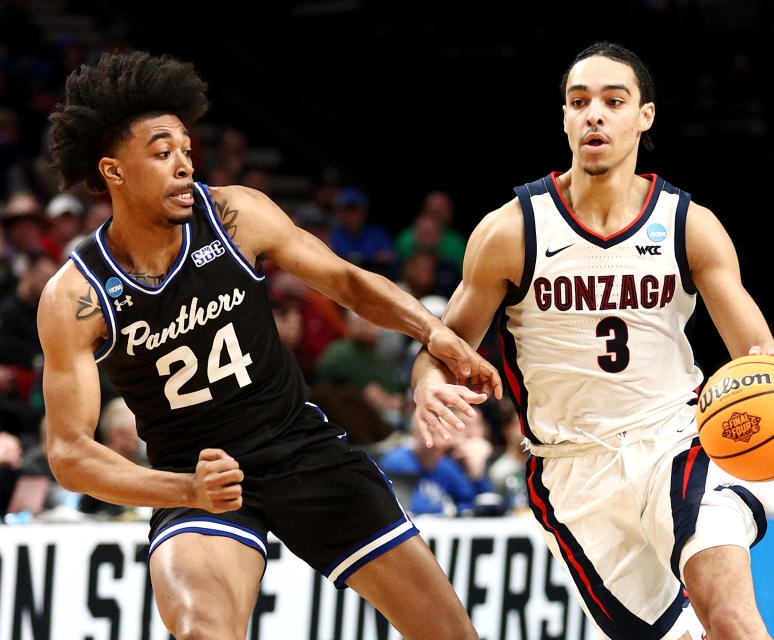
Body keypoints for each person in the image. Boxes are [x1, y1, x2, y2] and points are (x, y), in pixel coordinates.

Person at [39, 50, 498, 640]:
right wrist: (184, 490)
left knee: (452, 635)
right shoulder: (77, 294)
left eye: (185, 147)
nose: (183, 164)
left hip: (300, 445)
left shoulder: (234, 215)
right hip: (197, 474)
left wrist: (435, 332)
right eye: (161, 153)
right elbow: (69, 454)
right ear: (114, 171)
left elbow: (347, 281)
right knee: (204, 632)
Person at [412, 41, 774, 640]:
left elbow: (758, 352)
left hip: (677, 440)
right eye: (580, 101)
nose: (595, 113)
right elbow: (442, 348)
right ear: (565, 118)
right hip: (574, 471)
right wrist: (425, 387)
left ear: (644, 116)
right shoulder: (511, 232)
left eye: (613, 101)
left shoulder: (687, 225)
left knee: (729, 617)